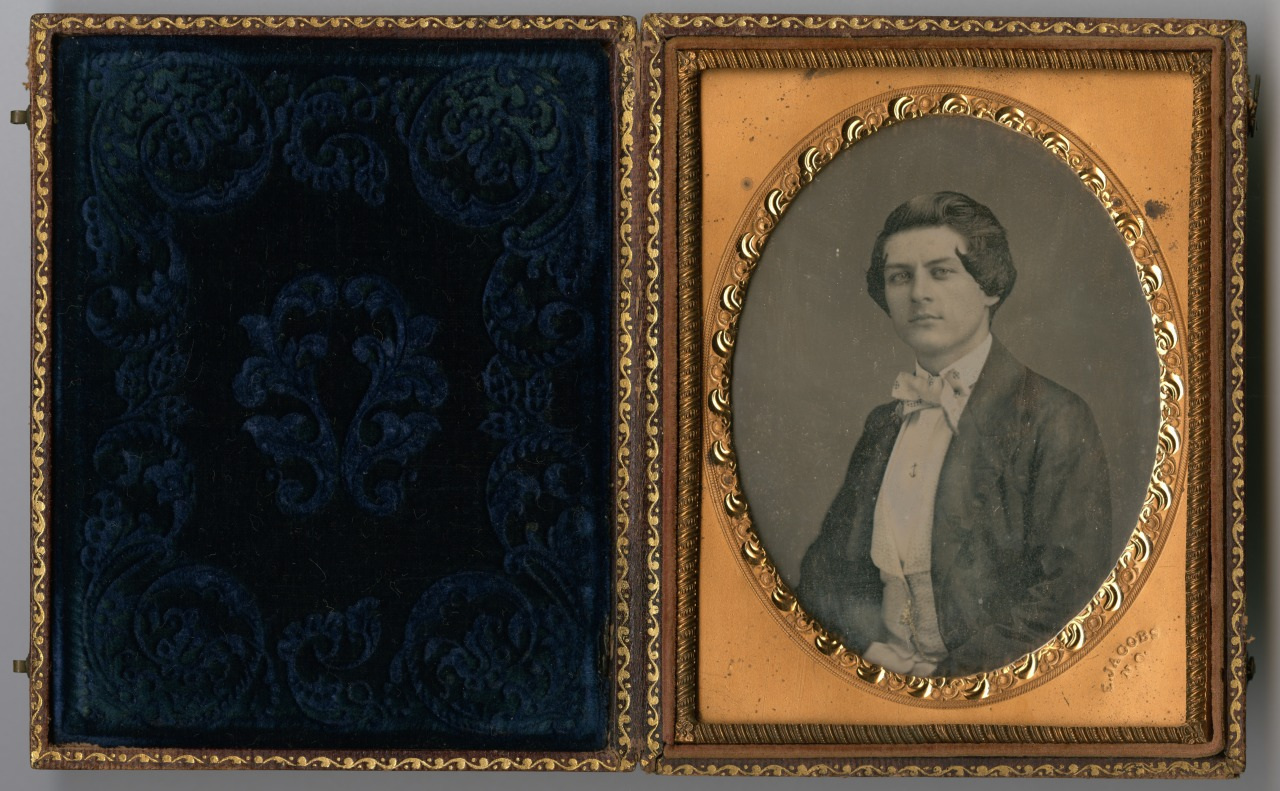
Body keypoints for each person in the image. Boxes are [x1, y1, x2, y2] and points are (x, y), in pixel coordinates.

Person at [796, 191, 1112, 677]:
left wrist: (947, 681)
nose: (918, 293)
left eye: (941, 272)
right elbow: (825, 573)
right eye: (900, 276)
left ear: (990, 287)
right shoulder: (885, 422)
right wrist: (871, 652)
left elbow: (1069, 592)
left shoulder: (1053, 416)